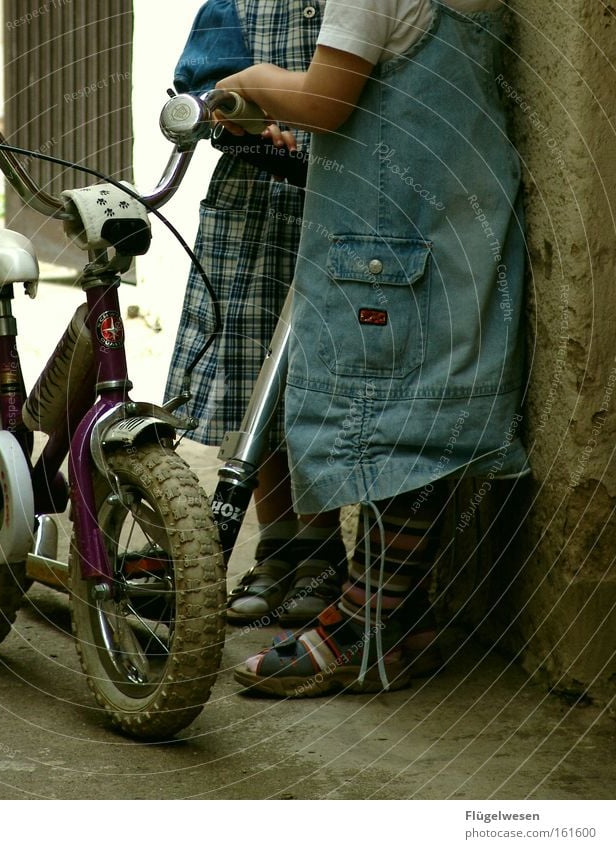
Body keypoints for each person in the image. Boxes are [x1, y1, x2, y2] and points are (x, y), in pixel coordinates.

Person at [215, 0, 530, 696]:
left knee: (391, 432)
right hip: (460, 228)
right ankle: (404, 622)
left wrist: (260, 81)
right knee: (429, 412)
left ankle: (358, 623)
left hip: (386, 248)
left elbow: (325, 100)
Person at [166, 0, 349, 627]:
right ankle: (275, 545)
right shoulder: (236, 5)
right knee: (254, 386)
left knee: (315, 384)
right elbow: (199, 92)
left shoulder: (355, 10)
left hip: (334, 202)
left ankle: (321, 550)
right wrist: (235, 115)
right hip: (253, 206)